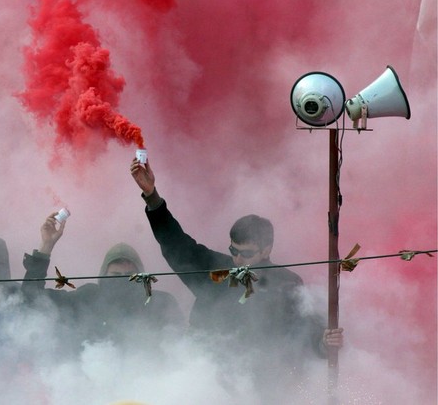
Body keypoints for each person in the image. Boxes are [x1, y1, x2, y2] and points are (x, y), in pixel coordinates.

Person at [129, 157, 343, 392]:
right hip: (207, 382)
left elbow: (306, 331)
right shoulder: (216, 269)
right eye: (233, 250)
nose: (238, 259)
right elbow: (176, 245)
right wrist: (152, 197)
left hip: (263, 387)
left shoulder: (287, 283)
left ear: (266, 250)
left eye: (246, 253)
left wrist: (323, 343)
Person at [21, 213, 183, 350]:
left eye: (130, 274)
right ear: (103, 274)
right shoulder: (87, 298)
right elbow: (33, 302)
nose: (123, 280)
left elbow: (181, 349)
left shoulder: (160, 303)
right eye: (115, 274)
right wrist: (46, 247)